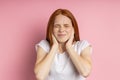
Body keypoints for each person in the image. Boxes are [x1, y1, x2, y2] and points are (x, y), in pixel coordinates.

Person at [34, 8, 92, 80]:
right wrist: (55, 46)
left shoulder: (82, 46)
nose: (61, 30)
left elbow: (85, 72)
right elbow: (40, 76)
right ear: (51, 29)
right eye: (57, 26)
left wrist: (69, 47)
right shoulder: (44, 46)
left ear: (73, 29)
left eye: (66, 26)